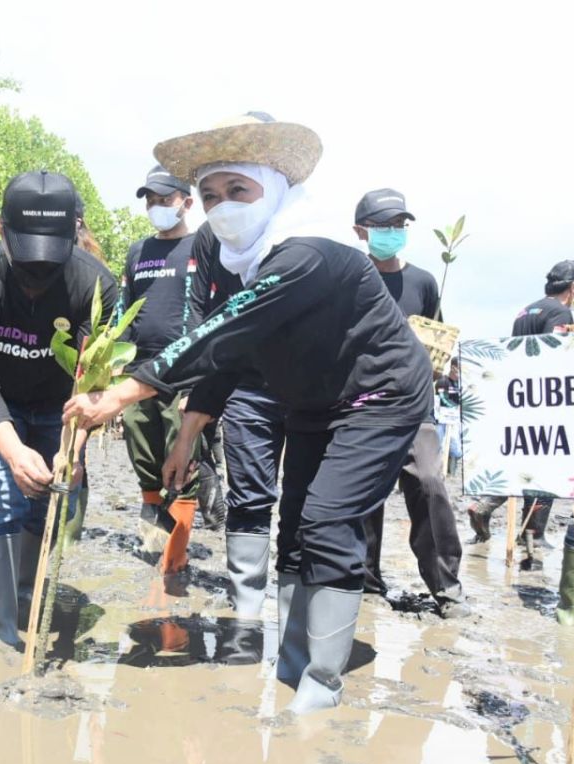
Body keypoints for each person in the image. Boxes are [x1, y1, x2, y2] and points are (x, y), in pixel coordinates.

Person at [64, 113, 432, 713]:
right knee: (293, 526)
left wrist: (120, 395)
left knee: (328, 520)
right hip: (311, 398)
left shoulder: (309, 252)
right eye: (210, 195)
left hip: (379, 397)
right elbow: (229, 356)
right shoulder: (235, 257)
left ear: (276, 189)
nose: (223, 206)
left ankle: (320, 688)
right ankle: (289, 665)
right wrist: (188, 434)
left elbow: (219, 332)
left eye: (240, 190)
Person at [0, 170, 117, 646]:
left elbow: (95, 381)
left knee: (48, 497)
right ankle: (0, 625)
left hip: (62, 408)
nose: (38, 272)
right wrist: (13, 449)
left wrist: (75, 448)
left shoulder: (97, 286)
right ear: (1, 229)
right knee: (1, 495)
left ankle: (27, 593)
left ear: (75, 230)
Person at [352, 188, 468, 618]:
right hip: (362, 404)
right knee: (365, 495)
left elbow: (437, 337)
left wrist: (441, 365)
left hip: (416, 407)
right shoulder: (349, 276)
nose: (392, 233)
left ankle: (446, 588)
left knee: (430, 485)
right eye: (383, 226)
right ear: (360, 231)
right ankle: (365, 581)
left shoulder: (423, 282)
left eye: (399, 225)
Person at [189, 211, 285, 619]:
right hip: (243, 384)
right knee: (249, 496)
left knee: (302, 501)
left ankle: (295, 606)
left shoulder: (297, 229)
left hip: (306, 388)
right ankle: (246, 606)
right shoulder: (210, 237)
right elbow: (205, 312)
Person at [466, 259, 574, 546]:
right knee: (546, 464)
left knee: (521, 458)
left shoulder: (525, 312)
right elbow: (551, 355)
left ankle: (484, 504)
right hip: (543, 399)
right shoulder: (561, 312)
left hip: (518, 396)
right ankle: (532, 533)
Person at [118, 165, 200, 574]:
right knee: (146, 464)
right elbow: (125, 310)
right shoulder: (137, 251)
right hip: (139, 372)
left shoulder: (205, 246)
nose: (155, 206)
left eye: (164, 199)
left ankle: (175, 559)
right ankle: (154, 548)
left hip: (184, 375)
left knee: (182, 467)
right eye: (149, 199)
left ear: (186, 202)